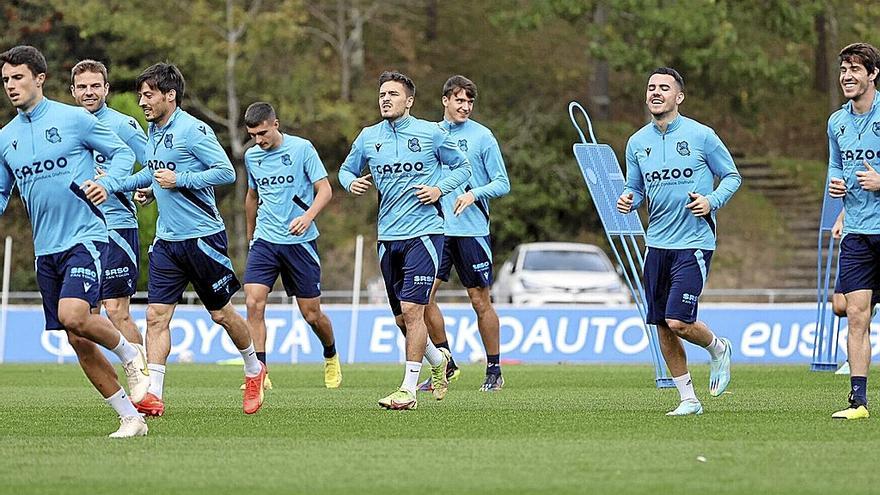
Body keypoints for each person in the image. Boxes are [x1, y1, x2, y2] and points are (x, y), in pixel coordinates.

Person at [83, 63, 266, 416]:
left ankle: (253, 368)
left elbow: (226, 171)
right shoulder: (152, 131)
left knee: (222, 314)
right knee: (155, 316)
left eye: (148, 95)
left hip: (201, 238)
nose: (142, 101)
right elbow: (152, 174)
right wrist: (115, 186)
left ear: (170, 95)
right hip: (167, 241)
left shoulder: (194, 130)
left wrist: (179, 179)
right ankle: (155, 395)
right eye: (140, 95)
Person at [0, 45, 149, 437]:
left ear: (40, 78)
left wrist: (107, 183)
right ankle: (131, 418)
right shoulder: (5, 138)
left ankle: (131, 354)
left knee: (74, 315)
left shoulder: (75, 120)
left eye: (18, 77)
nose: (11, 86)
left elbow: (120, 155)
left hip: (87, 237)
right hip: (45, 249)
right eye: (5, 80)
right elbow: (2, 193)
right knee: (78, 340)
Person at [339, 70, 471, 410]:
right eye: (382, 93)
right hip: (387, 237)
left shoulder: (430, 133)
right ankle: (440, 362)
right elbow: (345, 170)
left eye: (393, 94)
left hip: (425, 233)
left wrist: (440, 188)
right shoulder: (369, 137)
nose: (385, 99)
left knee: (414, 310)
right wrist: (350, 183)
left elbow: (464, 168)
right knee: (401, 318)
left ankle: (408, 390)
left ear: (409, 101)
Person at [617, 67, 741, 416]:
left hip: (694, 242)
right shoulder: (637, 142)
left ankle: (718, 347)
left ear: (679, 97)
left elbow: (732, 176)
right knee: (661, 324)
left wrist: (711, 201)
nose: (656, 93)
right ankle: (688, 399)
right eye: (651, 88)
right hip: (656, 244)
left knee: (678, 321)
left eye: (664, 88)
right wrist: (629, 198)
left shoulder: (702, 136)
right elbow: (635, 187)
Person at [242, 101, 341, 389]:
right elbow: (251, 196)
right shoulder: (252, 157)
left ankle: (331, 354)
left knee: (311, 314)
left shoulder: (302, 149)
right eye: (253, 136)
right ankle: (260, 373)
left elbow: (325, 189)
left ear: (276, 124)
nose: (259, 141)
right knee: (253, 302)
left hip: (300, 241)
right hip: (265, 240)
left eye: (262, 133)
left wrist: (308, 217)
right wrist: (251, 234)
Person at [421, 75, 510, 393]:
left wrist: (474, 194)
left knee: (480, 300)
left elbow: (503, 183)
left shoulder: (483, 137)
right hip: (435, 230)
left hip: (472, 231)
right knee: (422, 298)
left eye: (470, 101)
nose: (465, 106)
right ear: (445, 100)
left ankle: (494, 370)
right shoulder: (429, 134)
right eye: (459, 100)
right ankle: (447, 364)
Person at [70, 59, 146, 350]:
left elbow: (153, 167)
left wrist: (121, 182)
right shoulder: (66, 126)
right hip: (79, 231)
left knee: (116, 310)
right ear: (73, 91)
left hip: (117, 227)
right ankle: (110, 384)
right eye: (83, 86)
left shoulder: (122, 125)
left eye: (95, 86)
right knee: (86, 315)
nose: (89, 92)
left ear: (106, 88)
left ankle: (144, 382)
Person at [826, 42, 880, 420]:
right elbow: (835, 164)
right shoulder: (837, 122)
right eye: (844, 68)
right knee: (855, 313)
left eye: (855, 69)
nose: (847, 75)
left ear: (873, 74)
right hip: (858, 232)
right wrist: (836, 185)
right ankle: (858, 402)